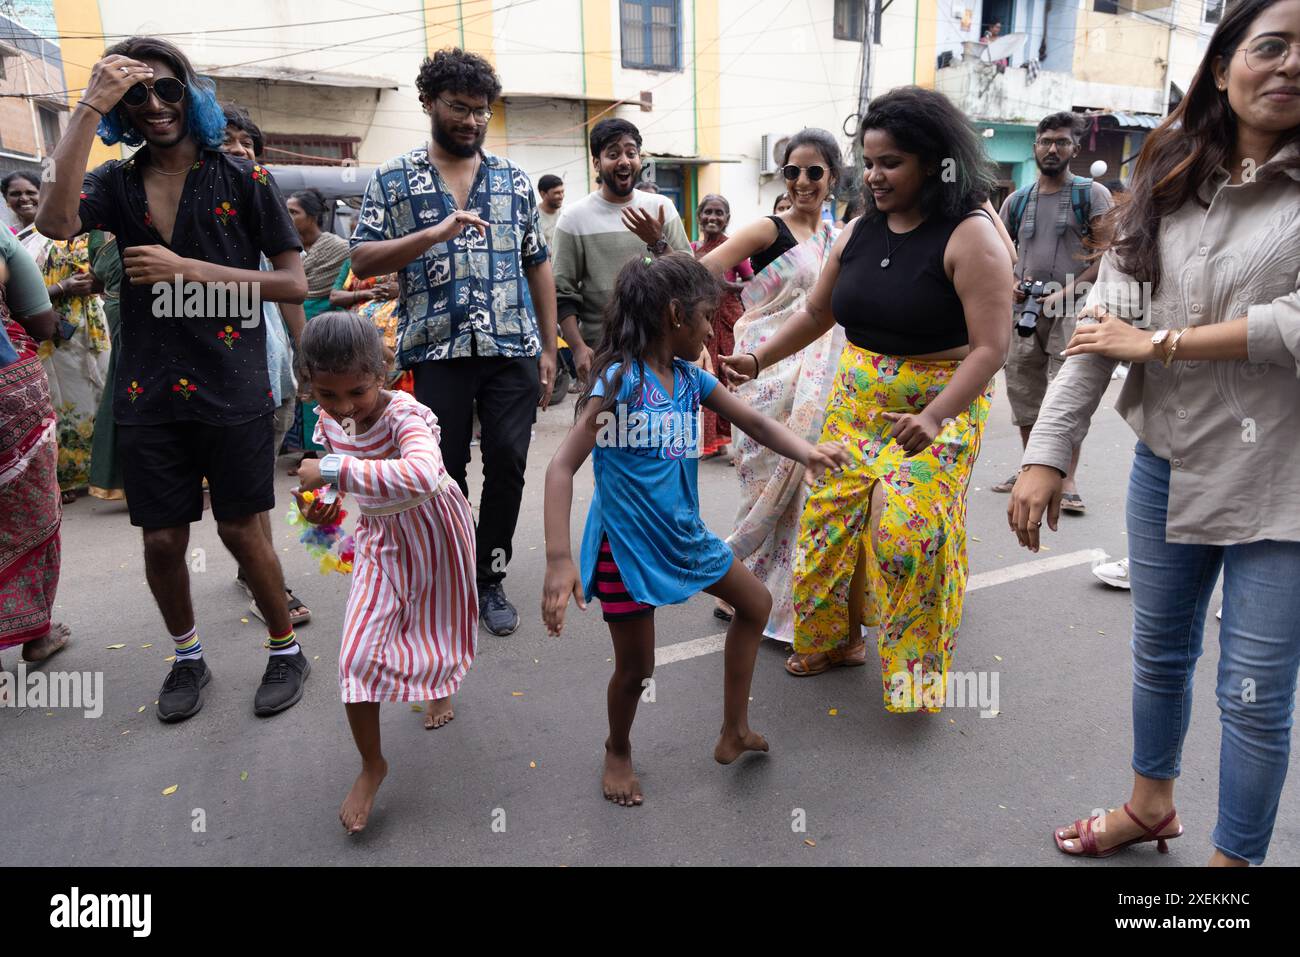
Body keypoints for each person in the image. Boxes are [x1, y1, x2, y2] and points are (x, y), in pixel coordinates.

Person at [1009, 0, 1300, 865]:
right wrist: (1046, 452)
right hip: (1167, 462)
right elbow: (1106, 323)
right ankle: (1150, 805)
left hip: (1282, 479)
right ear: (1222, 65)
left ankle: (1231, 867)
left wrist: (1167, 342)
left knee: (1253, 695)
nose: (1290, 67)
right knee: (1160, 653)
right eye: (1272, 46)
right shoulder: (1170, 180)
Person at [38, 36, 311, 722]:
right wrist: (85, 107)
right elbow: (53, 219)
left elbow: (290, 281)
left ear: (191, 95)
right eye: (136, 95)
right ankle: (187, 656)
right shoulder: (115, 184)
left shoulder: (242, 178)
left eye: (167, 89)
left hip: (233, 380)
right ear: (121, 109)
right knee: (161, 539)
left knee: (241, 529)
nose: (155, 105)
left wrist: (192, 271)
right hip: (148, 389)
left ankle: (285, 648)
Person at [722, 86, 1013, 709]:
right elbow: (817, 313)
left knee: (909, 536)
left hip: (939, 405)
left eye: (892, 163)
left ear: (935, 163)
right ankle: (834, 640)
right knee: (827, 524)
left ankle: (915, 675)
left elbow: (991, 348)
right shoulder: (856, 232)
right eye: (870, 161)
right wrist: (754, 358)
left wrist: (936, 417)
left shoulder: (970, 237)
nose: (875, 176)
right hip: (856, 402)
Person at [542, 253, 850, 805]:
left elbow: (753, 420)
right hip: (625, 546)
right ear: (676, 316)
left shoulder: (689, 378)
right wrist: (560, 560)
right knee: (637, 668)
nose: (714, 328)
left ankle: (734, 729)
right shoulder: (619, 380)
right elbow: (562, 465)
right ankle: (618, 748)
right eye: (709, 318)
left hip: (683, 536)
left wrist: (807, 450)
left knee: (754, 603)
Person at [349, 48, 558, 638]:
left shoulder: (514, 180)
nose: (471, 120)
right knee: (443, 470)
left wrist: (548, 348)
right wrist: (434, 232)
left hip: (510, 347)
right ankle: (449, 571)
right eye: (459, 108)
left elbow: (537, 264)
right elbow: (361, 257)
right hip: (435, 350)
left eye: (482, 111)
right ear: (428, 103)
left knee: (511, 463)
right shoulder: (394, 178)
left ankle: (489, 578)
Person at [292, 311, 477, 832]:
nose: (345, 407)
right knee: (355, 655)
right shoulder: (328, 418)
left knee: (434, 618)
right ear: (312, 386)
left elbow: (421, 471)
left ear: (382, 373)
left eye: (357, 392)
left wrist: (329, 470)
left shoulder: (405, 415)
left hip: (435, 527)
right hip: (379, 538)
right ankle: (373, 763)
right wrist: (318, 506)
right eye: (328, 395)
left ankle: (438, 682)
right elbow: (331, 489)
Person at [696, 129, 846, 637]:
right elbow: (702, 272)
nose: (802, 181)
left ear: (832, 177)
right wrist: (694, 333)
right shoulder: (768, 229)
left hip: (821, 377)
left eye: (814, 172)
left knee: (806, 494)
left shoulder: (838, 236)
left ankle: (788, 605)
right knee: (761, 484)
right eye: (791, 171)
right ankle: (738, 589)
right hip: (763, 375)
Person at [990, 112, 1113, 513]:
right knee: (1025, 390)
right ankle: (1031, 467)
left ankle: (1067, 478)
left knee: (1067, 391)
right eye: (1045, 141)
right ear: (1035, 147)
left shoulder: (1091, 195)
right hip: (1024, 308)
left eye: (1061, 142)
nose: (1052, 148)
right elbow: (997, 249)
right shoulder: (1017, 199)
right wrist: (1009, 280)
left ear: (1075, 149)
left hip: (1074, 309)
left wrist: (1072, 291)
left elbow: (1107, 254)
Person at [222, 105, 312, 626]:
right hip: (221, 369)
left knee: (255, 482)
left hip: (270, 361)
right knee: (249, 485)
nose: (238, 149)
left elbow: (291, 290)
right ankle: (268, 583)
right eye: (227, 141)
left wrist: (308, 356)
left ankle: (254, 569)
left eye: (247, 143)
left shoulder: (263, 206)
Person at [552, 117, 691, 384]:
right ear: (596, 163)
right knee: (609, 425)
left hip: (663, 348)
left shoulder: (662, 207)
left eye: (631, 152)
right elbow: (562, 293)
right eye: (613, 154)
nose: (624, 161)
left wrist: (658, 242)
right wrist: (578, 347)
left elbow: (688, 278)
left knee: (664, 425)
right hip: (604, 352)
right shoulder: (574, 218)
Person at [3, 171, 111, 503]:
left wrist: (94, 283)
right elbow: (17, 297)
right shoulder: (17, 240)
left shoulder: (82, 231)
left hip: (90, 326)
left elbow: (108, 274)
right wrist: (61, 288)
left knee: (100, 394)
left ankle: (103, 473)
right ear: (6, 200)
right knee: (62, 401)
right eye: (15, 194)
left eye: (31, 191)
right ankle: (63, 478)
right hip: (50, 334)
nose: (24, 199)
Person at [0, 226, 67, 665]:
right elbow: (42, 321)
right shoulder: (3, 238)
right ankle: (36, 636)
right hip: (9, 395)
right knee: (30, 513)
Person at [288, 186, 350, 465]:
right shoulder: (287, 249)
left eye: (294, 212)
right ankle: (309, 453)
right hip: (295, 325)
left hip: (327, 328)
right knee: (303, 389)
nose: (288, 217)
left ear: (312, 216)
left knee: (335, 388)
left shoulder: (337, 247)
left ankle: (342, 450)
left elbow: (341, 288)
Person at [691, 193, 753, 459]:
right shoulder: (692, 249)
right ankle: (715, 444)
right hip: (702, 323)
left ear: (727, 218)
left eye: (718, 213)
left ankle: (743, 446)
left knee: (733, 381)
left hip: (729, 321)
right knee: (707, 380)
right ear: (699, 216)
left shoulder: (734, 247)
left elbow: (753, 282)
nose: (712, 218)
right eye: (707, 212)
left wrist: (728, 286)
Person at [535, 173, 565, 250]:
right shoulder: (533, 218)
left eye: (562, 192)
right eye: (557, 193)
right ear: (543, 194)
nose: (561, 196)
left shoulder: (566, 215)